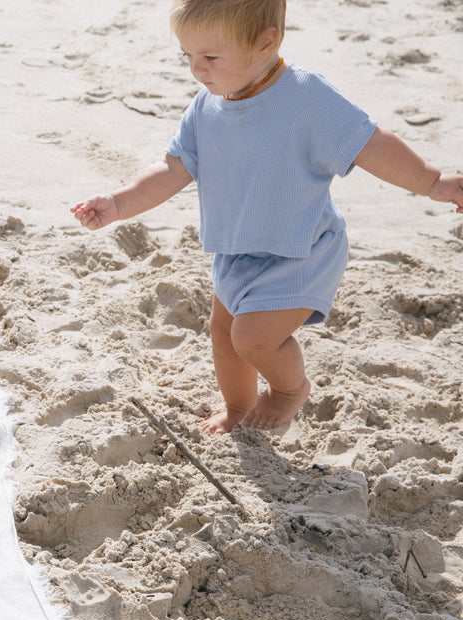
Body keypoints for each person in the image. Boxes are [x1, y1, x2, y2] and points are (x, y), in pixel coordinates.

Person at [71, 0, 463, 434]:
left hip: (301, 249)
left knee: (253, 338)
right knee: (223, 335)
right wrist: (119, 203)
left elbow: (370, 144)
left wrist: (433, 183)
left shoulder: (306, 96)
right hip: (238, 249)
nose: (197, 71)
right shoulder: (206, 107)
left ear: (265, 44)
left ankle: (288, 390)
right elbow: (172, 168)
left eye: (211, 58)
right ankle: (238, 408)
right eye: (189, 57)